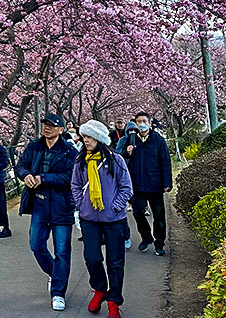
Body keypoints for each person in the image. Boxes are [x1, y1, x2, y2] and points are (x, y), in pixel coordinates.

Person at [14, 114, 78, 311]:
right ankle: (55, 274)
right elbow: (20, 165)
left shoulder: (69, 151)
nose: (47, 128)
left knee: (62, 251)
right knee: (36, 245)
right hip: (39, 205)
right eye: (45, 125)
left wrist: (44, 178)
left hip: (62, 206)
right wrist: (25, 176)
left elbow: (70, 178)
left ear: (61, 130)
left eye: (52, 126)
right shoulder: (35, 146)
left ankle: (58, 292)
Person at [72, 120, 133, 318]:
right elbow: (75, 185)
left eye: (89, 137)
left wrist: (115, 206)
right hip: (89, 218)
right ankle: (99, 289)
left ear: (99, 138)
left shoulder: (116, 160)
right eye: (84, 136)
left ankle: (114, 301)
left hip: (114, 219)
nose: (85, 140)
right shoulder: (81, 161)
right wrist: (82, 205)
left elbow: (126, 188)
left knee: (115, 262)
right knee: (92, 257)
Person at [115, 112, 172, 256]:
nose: (141, 124)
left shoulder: (158, 140)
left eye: (144, 121)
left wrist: (167, 182)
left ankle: (159, 243)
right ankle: (146, 237)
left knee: (159, 216)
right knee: (138, 213)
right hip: (137, 184)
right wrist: (128, 152)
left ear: (149, 122)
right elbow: (122, 158)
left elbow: (165, 162)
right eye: (139, 121)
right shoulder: (131, 140)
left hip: (155, 184)